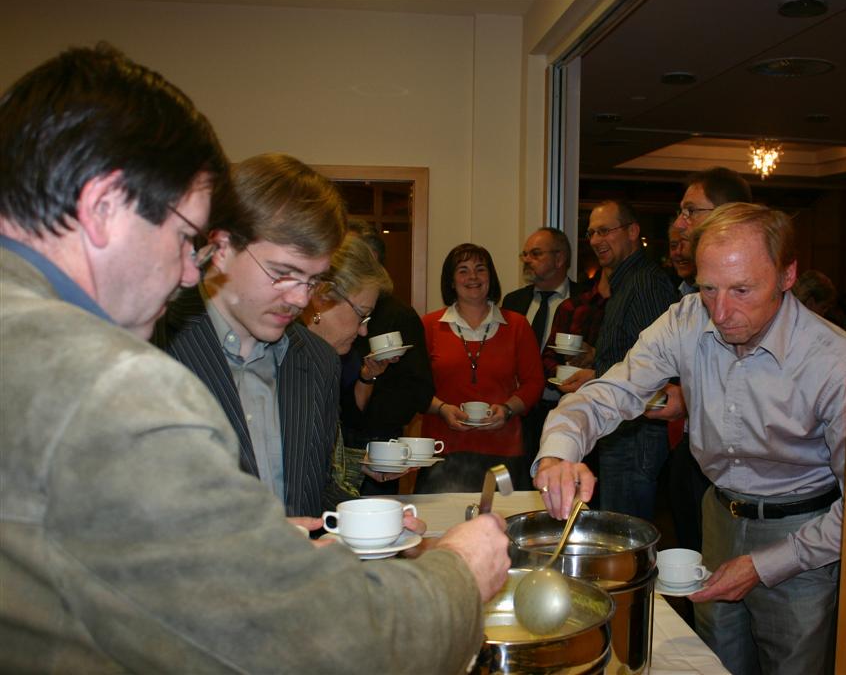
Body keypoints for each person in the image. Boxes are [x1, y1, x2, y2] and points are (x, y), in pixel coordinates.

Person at [0, 43, 509, 673]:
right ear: (103, 207)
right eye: (188, 238)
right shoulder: (115, 383)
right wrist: (460, 572)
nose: (193, 269)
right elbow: (298, 636)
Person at [534, 203, 846, 675]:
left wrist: (764, 565)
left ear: (787, 276)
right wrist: (558, 454)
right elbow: (610, 392)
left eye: (742, 290)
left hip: (805, 534)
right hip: (718, 516)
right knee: (713, 661)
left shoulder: (834, 360)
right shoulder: (684, 320)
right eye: (708, 289)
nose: (721, 313)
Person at [153, 152, 344, 518]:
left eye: (314, 280)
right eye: (283, 273)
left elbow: (313, 494)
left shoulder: (319, 361)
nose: (301, 299)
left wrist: (371, 523)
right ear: (222, 247)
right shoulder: (153, 346)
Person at [657, 167, 753, 554]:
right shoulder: (686, 309)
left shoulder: (804, 333)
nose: (681, 223)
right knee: (701, 567)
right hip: (701, 460)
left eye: (690, 210)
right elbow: (628, 378)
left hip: (761, 489)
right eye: (710, 289)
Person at [563, 200, 677, 520]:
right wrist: (594, 367)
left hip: (637, 430)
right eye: (591, 233)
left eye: (605, 231)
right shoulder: (626, 281)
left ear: (632, 232)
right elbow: (628, 355)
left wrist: (596, 375)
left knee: (625, 531)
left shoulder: (644, 283)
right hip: (623, 425)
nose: (597, 240)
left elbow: (657, 365)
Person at [417, 243, 545, 492]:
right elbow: (415, 388)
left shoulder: (517, 325)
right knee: (445, 528)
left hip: (504, 449)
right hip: (443, 449)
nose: (473, 277)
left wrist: (507, 410)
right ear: (451, 281)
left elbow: (534, 383)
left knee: (502, 524)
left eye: (480, 269)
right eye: (463, 270)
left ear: (491, 277)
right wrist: (442, 409)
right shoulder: (429, 325)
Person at [296, 235, 414, 500]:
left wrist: (361, 463)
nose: (363, 330)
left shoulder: (321, 361)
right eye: (361, 314)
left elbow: (315, 464)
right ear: (321, 297)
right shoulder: (288, 363)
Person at [344, 221, 435, 496]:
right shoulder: (321, 312)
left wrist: (377, 426)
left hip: (379, 443)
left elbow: (420, 390)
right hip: (334, 443)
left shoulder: (400, 315)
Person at [501, 227, 581, 485]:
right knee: (521, 486)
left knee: (561, 484)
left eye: (535, 254)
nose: (526, 260)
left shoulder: (586, 301)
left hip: (567, 410)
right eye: (524, 254)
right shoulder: (513, 302)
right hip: (522, 415)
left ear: (559, 259)